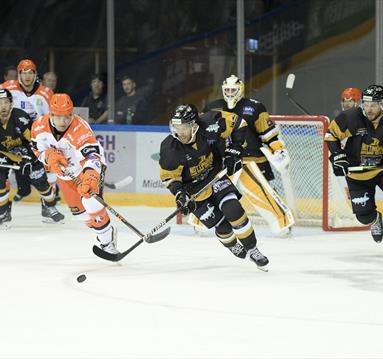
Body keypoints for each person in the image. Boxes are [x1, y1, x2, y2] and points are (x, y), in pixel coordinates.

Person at [159, 104, 269, 269]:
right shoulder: (170, 148)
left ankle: (253, 249)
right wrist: (180, 194)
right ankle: (232, 244)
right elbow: (169, 177)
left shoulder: (211, 123)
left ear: (194, 126)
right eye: (176, 127)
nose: (179, 132)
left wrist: (235, 149)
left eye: (183, 127)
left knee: (233, 209)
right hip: (194, 191)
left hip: (215, 176)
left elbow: (239, 123)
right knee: (223, 226)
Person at [203, 75, 294, 235]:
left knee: (262, 193)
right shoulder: (212, 108)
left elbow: (269, 134)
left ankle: (283, 224)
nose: (230, 93)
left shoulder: (254, 107)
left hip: (249, 160)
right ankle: (200, 224)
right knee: (210, 192)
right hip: (223, 161)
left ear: (241, 90)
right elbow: (202, 136)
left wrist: (278, 149)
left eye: (233, 90)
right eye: (227, 90)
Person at [31, 93, 119, 255]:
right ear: (50, 114)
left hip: (88, 169)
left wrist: (91, 176)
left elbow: (92, 156)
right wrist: (48, 157)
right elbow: (37, 149)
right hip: (66, 174)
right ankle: (103, 227)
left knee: (92, 204)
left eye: (68, 116)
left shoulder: (80, 128)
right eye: (59, 117)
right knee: (80, 213)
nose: (64, 121)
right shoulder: (38, 127)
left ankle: (107, 242)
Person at [325, 84, 383, 243]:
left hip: (380, 171)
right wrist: (338, 156)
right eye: (366, 104)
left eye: (374, 105)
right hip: (357, 174)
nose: (369, 109)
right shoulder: (351, 117)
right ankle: (375, 219)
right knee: (364, 217)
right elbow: (330, 134)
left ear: (381, 104)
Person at [0, 89, 64, 227]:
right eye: (0, 103)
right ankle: (3, 212)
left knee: (41, 182)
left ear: (11, 104)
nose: (3, 106)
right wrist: (13, 158)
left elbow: (34, 141)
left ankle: (49, 208)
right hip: (5, 154)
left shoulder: (20, 117)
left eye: (6, 102)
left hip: (27, 151)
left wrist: (28, 158)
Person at [1, 59, 55, 202]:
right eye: (23, 73)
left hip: (38, 140)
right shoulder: (8, 88)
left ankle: (48, 208)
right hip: (13, 140)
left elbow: (54, 118)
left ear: (35, 74)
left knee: (46, 176)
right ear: (19, 74)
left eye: (30, 72)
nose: (27, 76)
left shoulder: (46, 93)